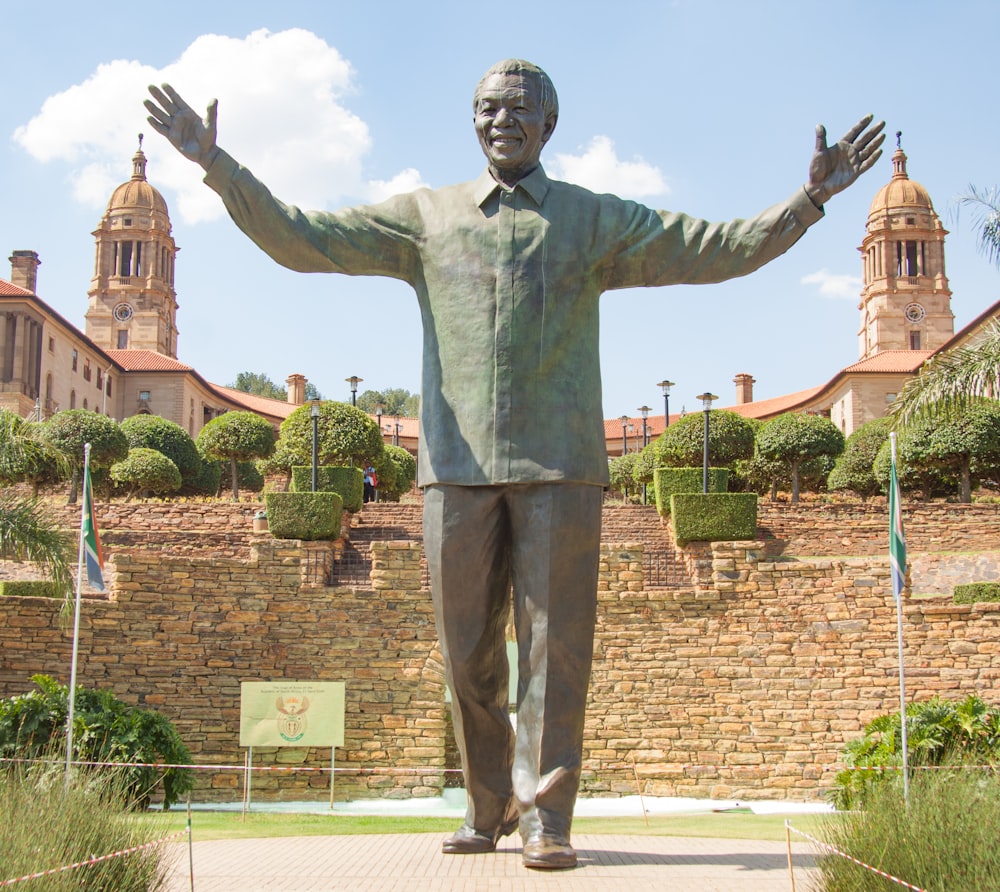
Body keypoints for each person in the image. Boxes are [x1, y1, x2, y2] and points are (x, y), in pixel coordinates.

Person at [145, 60, 883, 870]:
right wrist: (215, 164)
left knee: (554, 650)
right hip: (455, 467)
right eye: (488, 107)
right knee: (467, 652)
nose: (502, 119)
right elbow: (303, 237)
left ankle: (544, 818)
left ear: (549, 123)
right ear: (472, 122)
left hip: (560, 464)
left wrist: (808, 202)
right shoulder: (426, 218)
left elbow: (715, 250)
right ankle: (487, 805)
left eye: (520, 108)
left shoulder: (591, 220)